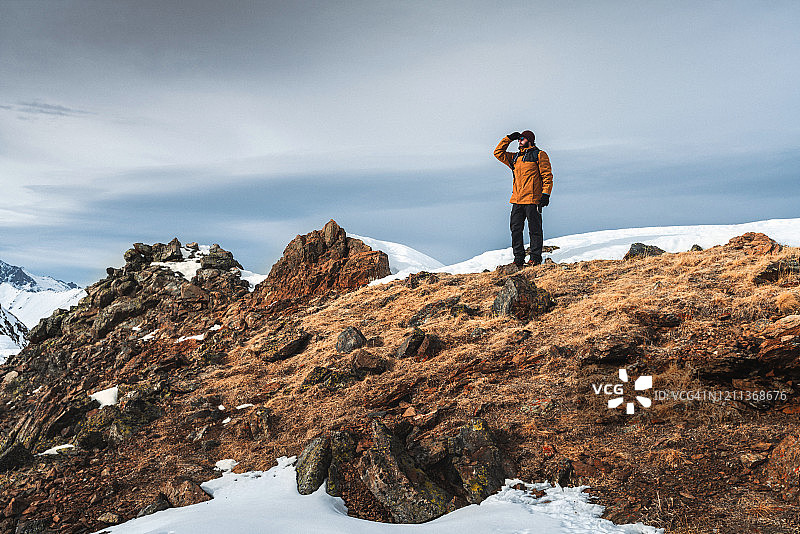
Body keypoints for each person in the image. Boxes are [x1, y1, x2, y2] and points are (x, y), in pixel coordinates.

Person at [494, 130, 554, 267]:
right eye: (518, 139)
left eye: (522, 139)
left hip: (533, 200)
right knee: (515, 230)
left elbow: (547, 176)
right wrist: (508, 138)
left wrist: (546, 194)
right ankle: (519, 258)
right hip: (517, 200)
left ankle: (535, 258)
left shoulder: (539, 155)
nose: (519, 141)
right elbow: (498, 153)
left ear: (530, 140)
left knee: (535, 230)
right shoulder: (515, 157)